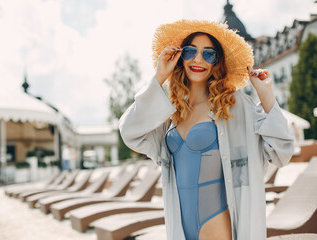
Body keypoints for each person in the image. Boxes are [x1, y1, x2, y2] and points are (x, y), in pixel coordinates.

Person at [118, 20, 294, 240]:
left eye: (208, 54)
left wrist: (266, 96)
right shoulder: (171, 112)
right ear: (180, 57)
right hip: (179, 225)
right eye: (190, 51)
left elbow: (281, 152)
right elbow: (129, 131)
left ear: (216, 62)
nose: (198, 59)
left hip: (216, 222)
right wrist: (159, 77)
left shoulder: (233, 106)